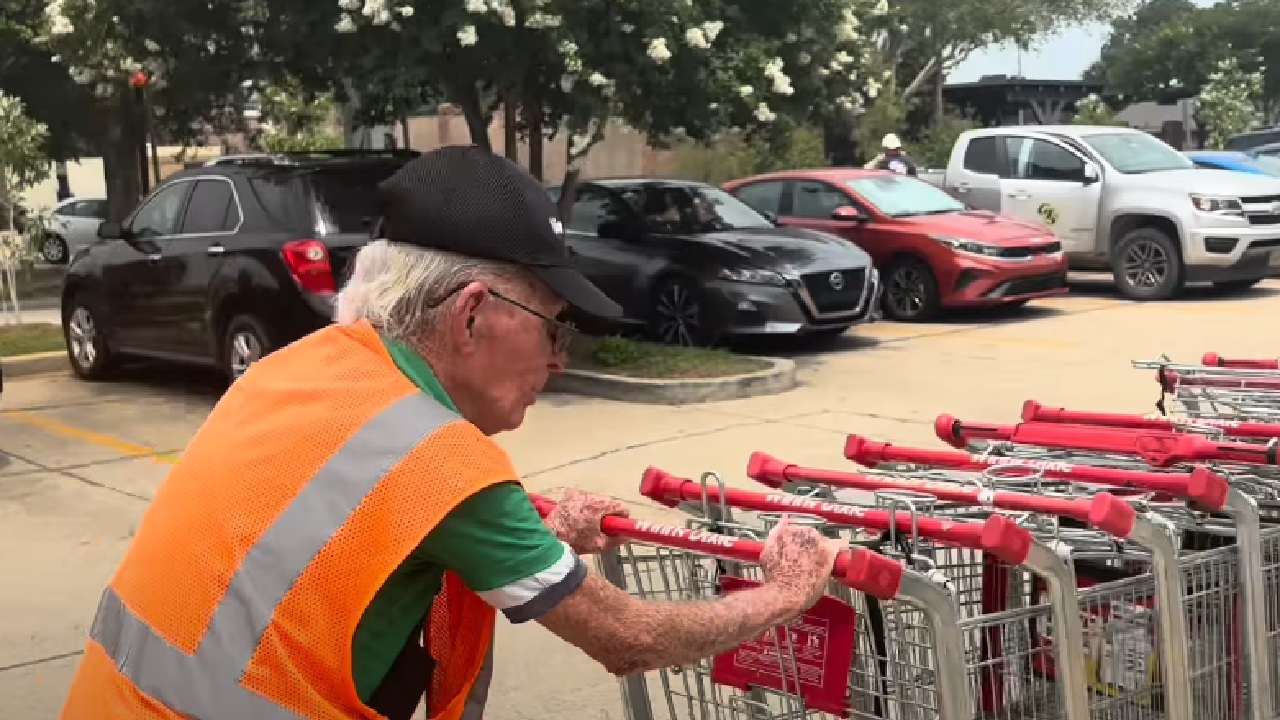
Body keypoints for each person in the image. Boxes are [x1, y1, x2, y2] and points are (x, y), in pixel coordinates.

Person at [57, 146, 844, 720]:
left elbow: (355, 513)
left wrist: (524, 521)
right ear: (471, 314)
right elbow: (629, 639)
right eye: (554, 327)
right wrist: (784, 593)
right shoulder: (444, 464)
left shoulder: (298, 372)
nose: (560, 360)